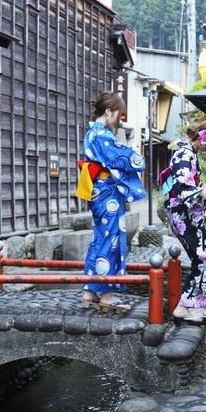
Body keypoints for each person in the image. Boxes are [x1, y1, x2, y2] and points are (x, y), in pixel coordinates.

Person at [77, 92, 146, 311]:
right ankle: (105, 293)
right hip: (107, 194)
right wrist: (138, 158)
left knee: (100, 238)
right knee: (111, 239)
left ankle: (90, 290)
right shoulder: (101, 134)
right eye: (118, 114)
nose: (119, 120)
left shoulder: (92, 133)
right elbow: (123, 157)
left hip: (99, 191)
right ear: (108, 112)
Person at [164, 120, 206, 327]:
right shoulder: (184, 153)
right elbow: (181, 186)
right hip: (182, 216)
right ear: (204, 139)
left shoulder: (188, 153)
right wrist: (202, 192)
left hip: (185, 215)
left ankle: (184, 307)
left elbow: (187, 185)